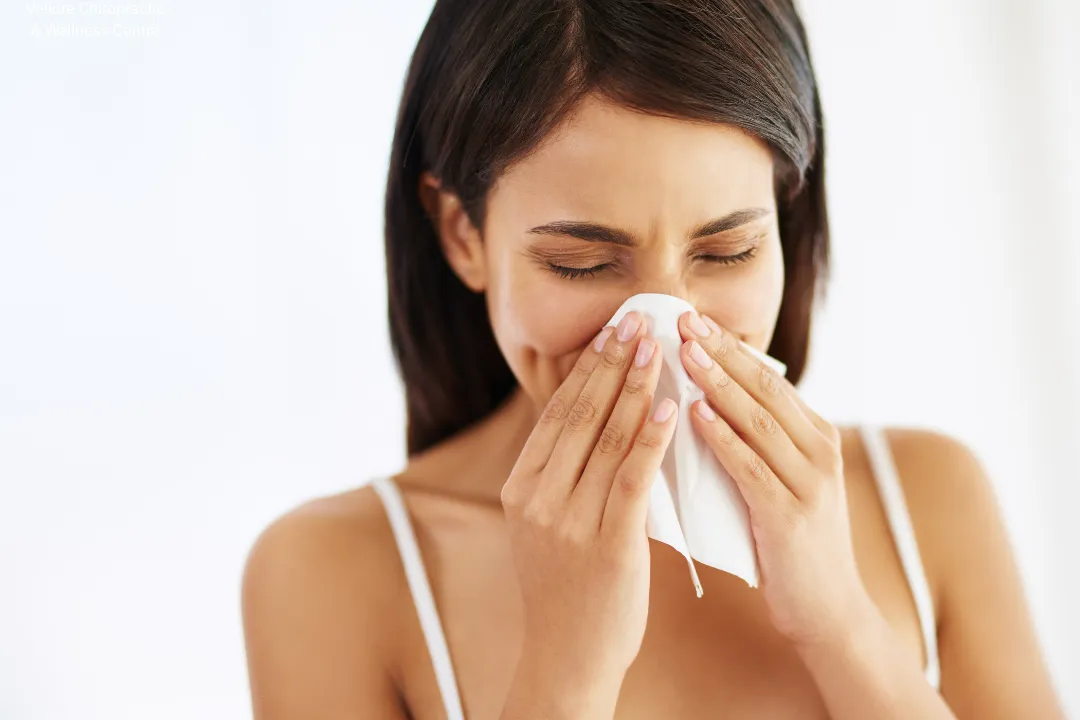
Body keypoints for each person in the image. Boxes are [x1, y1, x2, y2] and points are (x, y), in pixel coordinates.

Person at [240, 0, 1064, 717]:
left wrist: (842, 624)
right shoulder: (333, 576)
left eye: (729, 250)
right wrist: (568, 673)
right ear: (464, 235)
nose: (667, 329)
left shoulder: (926, 497)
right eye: (583, 264)